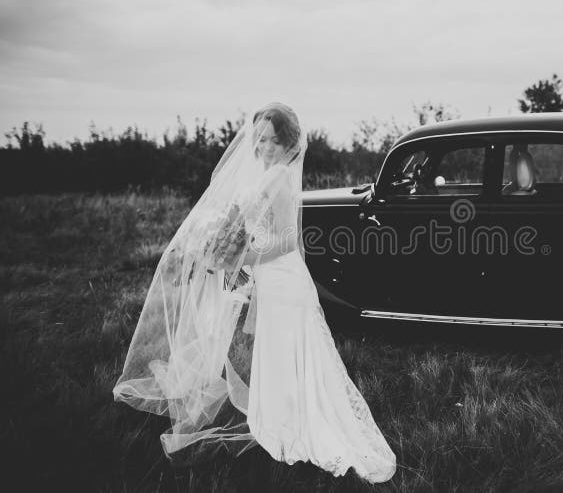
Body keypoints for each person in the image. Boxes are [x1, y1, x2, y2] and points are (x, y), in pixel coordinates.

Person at [112, 102, 396, 484]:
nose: (262, 146)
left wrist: (242, 257)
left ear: (287, 145)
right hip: (269, 275)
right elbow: (247, 225)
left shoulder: (279, 177)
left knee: (288, 348)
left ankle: (295, 423)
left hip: (283, 278)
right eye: (258, 139)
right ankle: (277, 418)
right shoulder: (263, 175)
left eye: (270, 141)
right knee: (276, 350)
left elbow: (288, 239)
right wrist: (221, 245)